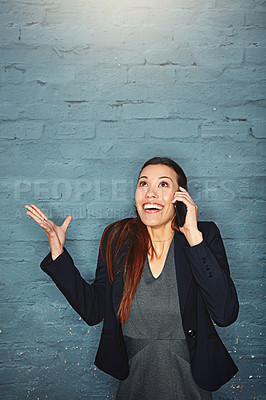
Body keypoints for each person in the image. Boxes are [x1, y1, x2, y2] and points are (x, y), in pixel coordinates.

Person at [25, 156, 239, 399]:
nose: (151, 193)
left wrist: (192, 235)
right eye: (143, 183)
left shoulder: (204, 235)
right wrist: (58, 254)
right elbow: (94, 310)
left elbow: (225, 314)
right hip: (134, 382)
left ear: (181, 196)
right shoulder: (117, 238)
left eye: (163, 185)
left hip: (191, 382)